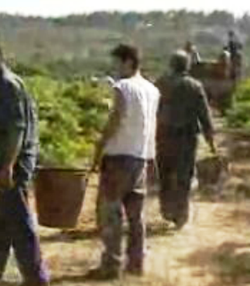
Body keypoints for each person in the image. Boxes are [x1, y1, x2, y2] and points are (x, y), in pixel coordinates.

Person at [0, 34, 49, 286]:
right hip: (7, 163)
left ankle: (36, 278)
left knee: (20, 223)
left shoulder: (7, 85)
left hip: (14, 165)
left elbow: (17, 130)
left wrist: (8, 167)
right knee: (1, 221)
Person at [89, 44, 161, 279]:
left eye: (118, 63)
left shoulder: (123, 87)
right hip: (141, 156)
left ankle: (111, 265)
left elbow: (116, 119)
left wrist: (99, 146)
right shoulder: (152, 90)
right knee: (136, 215)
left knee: (111, 212)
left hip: (118, 156)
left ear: (128, 62)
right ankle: (136, 263)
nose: (116, 68)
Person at [155, 50, 216, 230]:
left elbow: (152, 110)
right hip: (186, 139)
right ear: (187, 66)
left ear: (171, 65)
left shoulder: (161, 84)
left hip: (164, 136)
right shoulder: (195, 86)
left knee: (165, 174)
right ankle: (180, 214)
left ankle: (167, 209)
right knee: (184, 176)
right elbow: (204, 116)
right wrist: (210, 141)